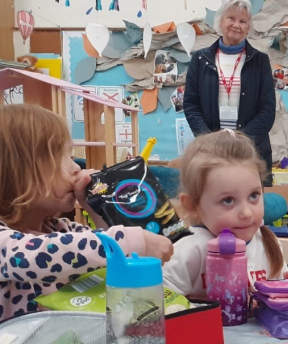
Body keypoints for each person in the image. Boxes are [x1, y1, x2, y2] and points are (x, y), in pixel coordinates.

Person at [0, 105, 173, 322]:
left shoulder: (63, 229)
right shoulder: (7, 241)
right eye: (63, 158)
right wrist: (130, 240)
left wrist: (96, 206)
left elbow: (105, 260)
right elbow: (35, 258)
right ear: (16, 172)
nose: (75, 168)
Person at [163, 130, 288, 298]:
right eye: (228, 200)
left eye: (254, 196)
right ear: (192, 204)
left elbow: (278, 303)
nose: (246, 213)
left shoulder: (268, 242)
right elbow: (157, 306)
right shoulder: (187, 250)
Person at [183, 0, 276, 185]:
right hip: (210, 153)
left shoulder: (260, 61)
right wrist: (211, 141)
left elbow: (267, 110)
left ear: (248, 27)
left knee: (250, 207)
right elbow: (191, 105)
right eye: (231, 18)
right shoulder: (200, 60)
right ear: (221, 21)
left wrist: (241, 141)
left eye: (243, 21)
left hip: (251, 152)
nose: (237, 24)